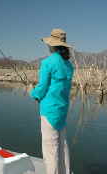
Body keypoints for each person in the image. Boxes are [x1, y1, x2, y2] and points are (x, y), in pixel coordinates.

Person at [29, 28, 74, 174]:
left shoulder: (47, 62)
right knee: (62, 147)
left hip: (49, 112)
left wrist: (32, 93)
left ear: (52, 45)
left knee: (50, 151)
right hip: (62, 112)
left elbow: (41, 88)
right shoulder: (69, 65)